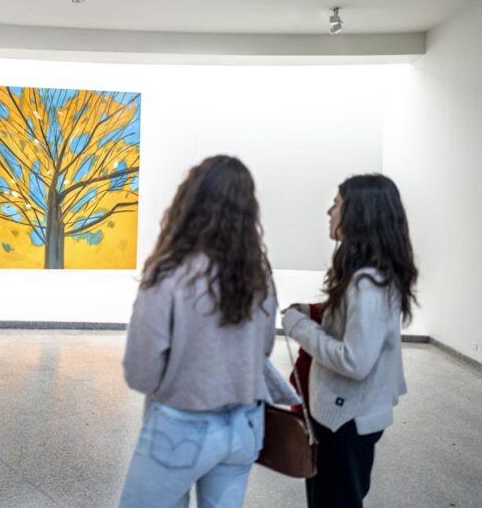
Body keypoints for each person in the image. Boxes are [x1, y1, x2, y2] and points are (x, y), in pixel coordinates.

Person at [119, 155, 277, 508]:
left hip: (182, 428)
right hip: (246, 427)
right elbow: (264, 349)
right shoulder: (260, 276)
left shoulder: (170, 272)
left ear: (188, 202)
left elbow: (140, 373)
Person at [282, 174, 418, 508]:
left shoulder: (368, 284)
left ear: (360, 214)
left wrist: (298, 325)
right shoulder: (368, 276)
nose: (329, 212)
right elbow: (354, 327)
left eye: (337, 205)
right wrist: (316, 313)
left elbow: (355, 361)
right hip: (345, 418)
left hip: (345, 423)